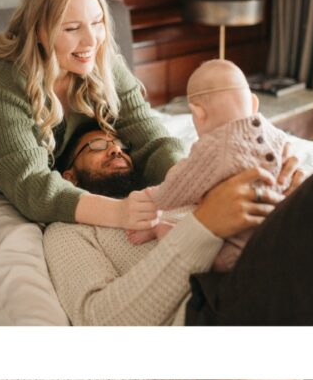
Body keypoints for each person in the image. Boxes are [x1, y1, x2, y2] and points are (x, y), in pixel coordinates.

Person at [43, 104, 313, 325]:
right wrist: (202, 227)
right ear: (69, 174)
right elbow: (101, 322)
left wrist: (296, 199)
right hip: (212, 309)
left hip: (267, 260)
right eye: (98, 146)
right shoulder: (70, 231)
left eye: (118, 144)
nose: (116, 150)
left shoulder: (172, 185)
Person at [0, 0, 185, 323]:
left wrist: (188, 179)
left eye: (97, 23)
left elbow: (150, 137)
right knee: (25, 267)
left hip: (62, 185)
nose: (91, 41)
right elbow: (32, 185)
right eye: (72, 28)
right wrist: (121, 212)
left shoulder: (101, 59)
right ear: (38, 30)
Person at [126, 59, 300, 272]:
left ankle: (160, 230)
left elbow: (178, 187)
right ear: (254, 103)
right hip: (287, 229)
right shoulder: (277, 136)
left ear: (198, 113)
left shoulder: (212, 146)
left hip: (242, 248)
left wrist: (153, 198)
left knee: (196, 246)